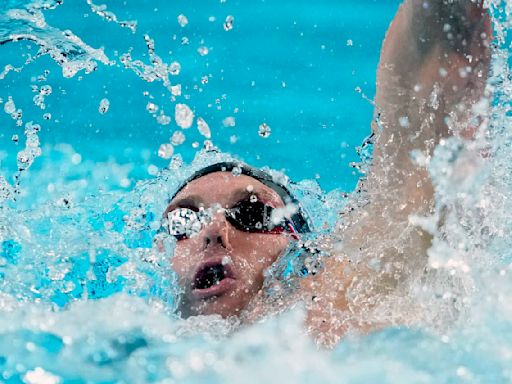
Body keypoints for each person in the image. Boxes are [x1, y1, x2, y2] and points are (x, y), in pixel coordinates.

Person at [159, 0, 492, 344]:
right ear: (159, 254)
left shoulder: (336, 315)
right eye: (184, 221)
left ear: (299, 248)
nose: (213, 231)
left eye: (253, 213)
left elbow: (427, 92)